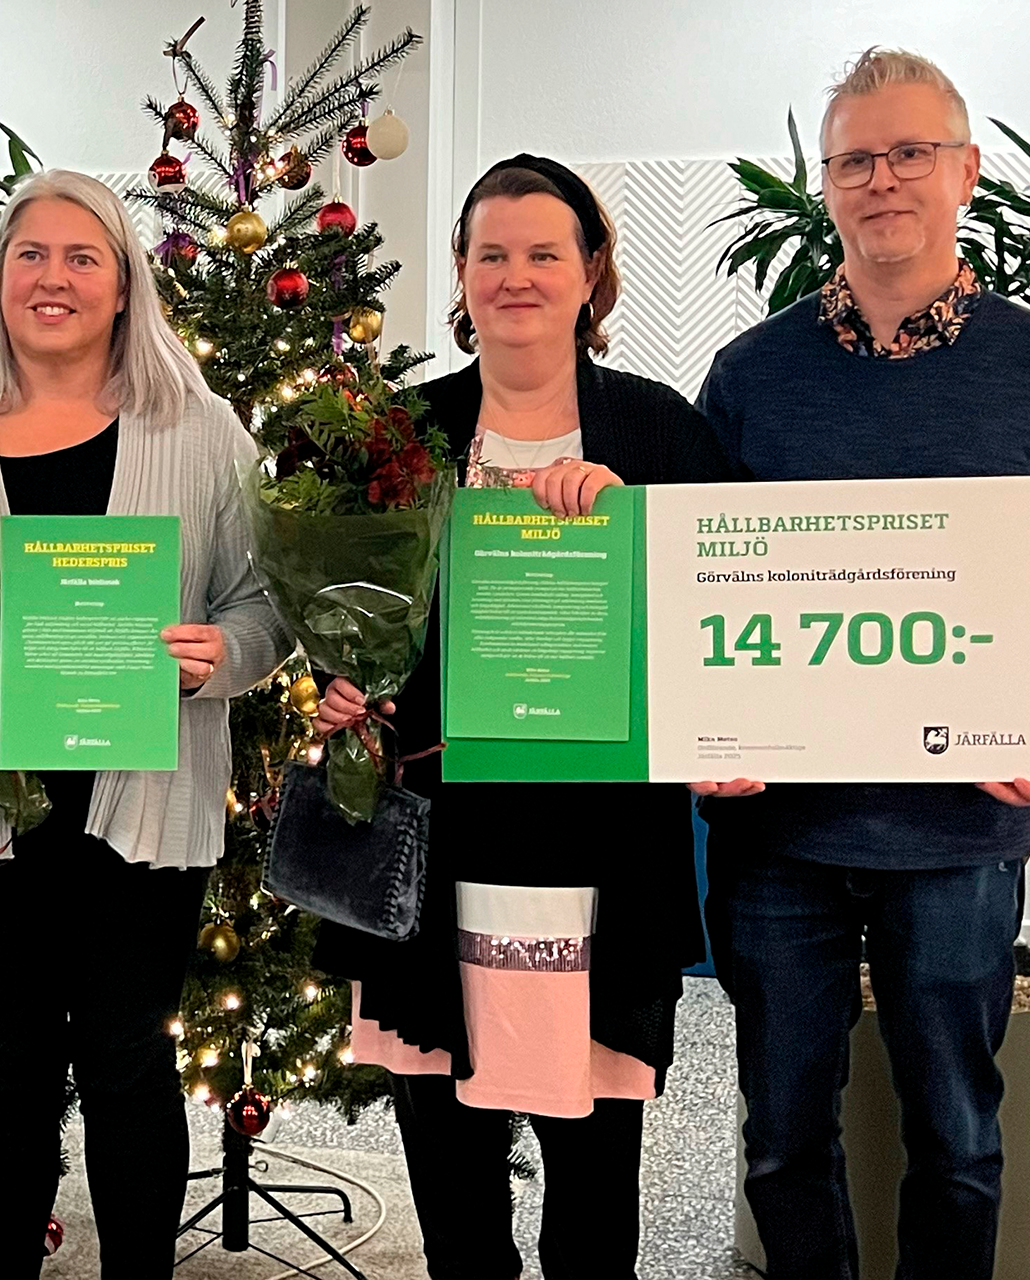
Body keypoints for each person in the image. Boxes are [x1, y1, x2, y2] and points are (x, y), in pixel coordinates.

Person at [0, 169, 290, 1279]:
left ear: (124, 285)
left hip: (144, 798)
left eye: (84, 257)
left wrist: (221, 657)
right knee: (5, 1067)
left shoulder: (201, 430)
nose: (53, 278)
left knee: (130, 1063)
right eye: (30, 254)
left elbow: (265, 603)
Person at [312, 156, 731, 1280]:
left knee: (594, 1180)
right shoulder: (406, 432)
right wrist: (344, 681)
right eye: (492, 253)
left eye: (546, 252)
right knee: (451, 1174)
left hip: (602, 848)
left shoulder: (657, 431)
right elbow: (350, 608)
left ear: (591, 272)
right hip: (441, 839)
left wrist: (630, 529)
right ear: (461, 271)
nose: (517, 276)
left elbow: (722, 609)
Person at [694, 48, 1030, 1280]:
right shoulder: (750, 374)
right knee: (784, 1140)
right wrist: (699, 727)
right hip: (780, 835)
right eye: (854, 160)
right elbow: (699, 581)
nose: (881, 178)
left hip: (959, 830)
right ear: (826, 183)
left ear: (966, 172)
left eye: (909, 153)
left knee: (958, 1140)